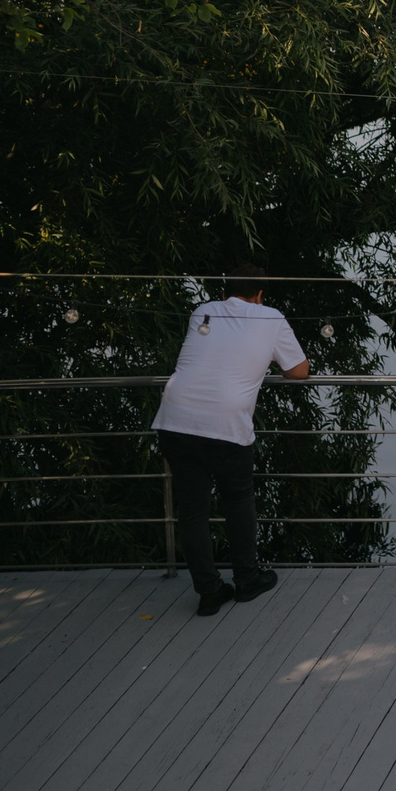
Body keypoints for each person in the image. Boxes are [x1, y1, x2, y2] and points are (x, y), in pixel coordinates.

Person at [152, 263, 310, 616]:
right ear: (259, 296)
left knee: (192, 509)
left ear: (223, 294)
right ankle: (246, 579)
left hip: (176, 419)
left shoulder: (203, 311)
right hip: (225, 425)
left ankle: (209, 592)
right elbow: (299, 372)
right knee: (238, 501)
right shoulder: (269, 317)